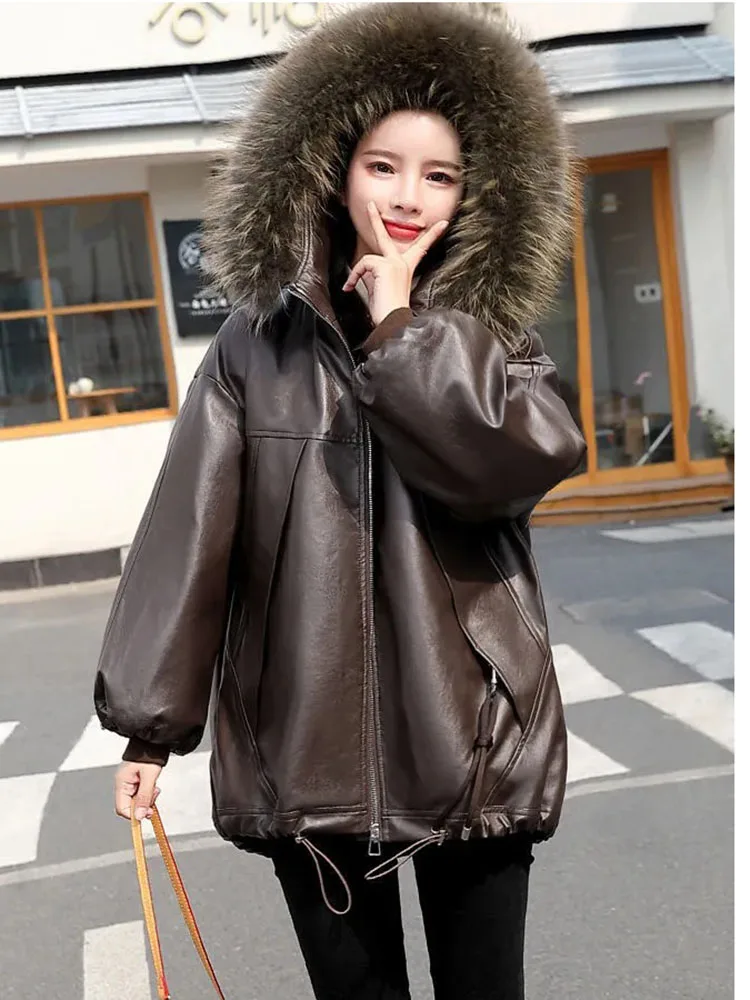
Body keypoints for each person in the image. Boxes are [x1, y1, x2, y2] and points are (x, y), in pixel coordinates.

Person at [94, 4, 586, 998]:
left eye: (440, 175)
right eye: (383, 165)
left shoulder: (497, 339)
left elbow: (503, 472)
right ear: (331, 168)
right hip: (306, 746)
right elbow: (193, 533)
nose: (408, 196)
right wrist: (150, 726)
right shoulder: (255, 345)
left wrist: (400, 323)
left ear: (477, 191)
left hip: (471, 741)